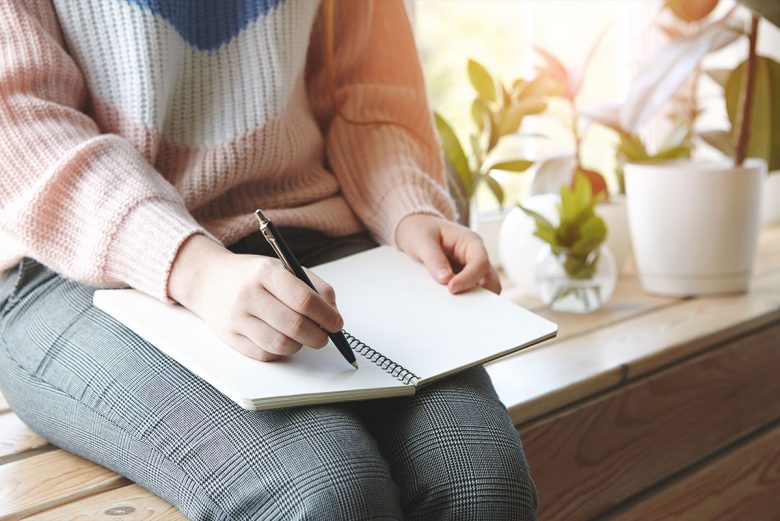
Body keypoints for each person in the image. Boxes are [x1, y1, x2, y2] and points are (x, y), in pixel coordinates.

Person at [0, 0, 538, 519]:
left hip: (312, 240)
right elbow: (18, 120)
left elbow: (369, 88)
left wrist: (408, 208)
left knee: (483, 485)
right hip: (75, 262)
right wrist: (195, 268)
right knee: (326, 494)